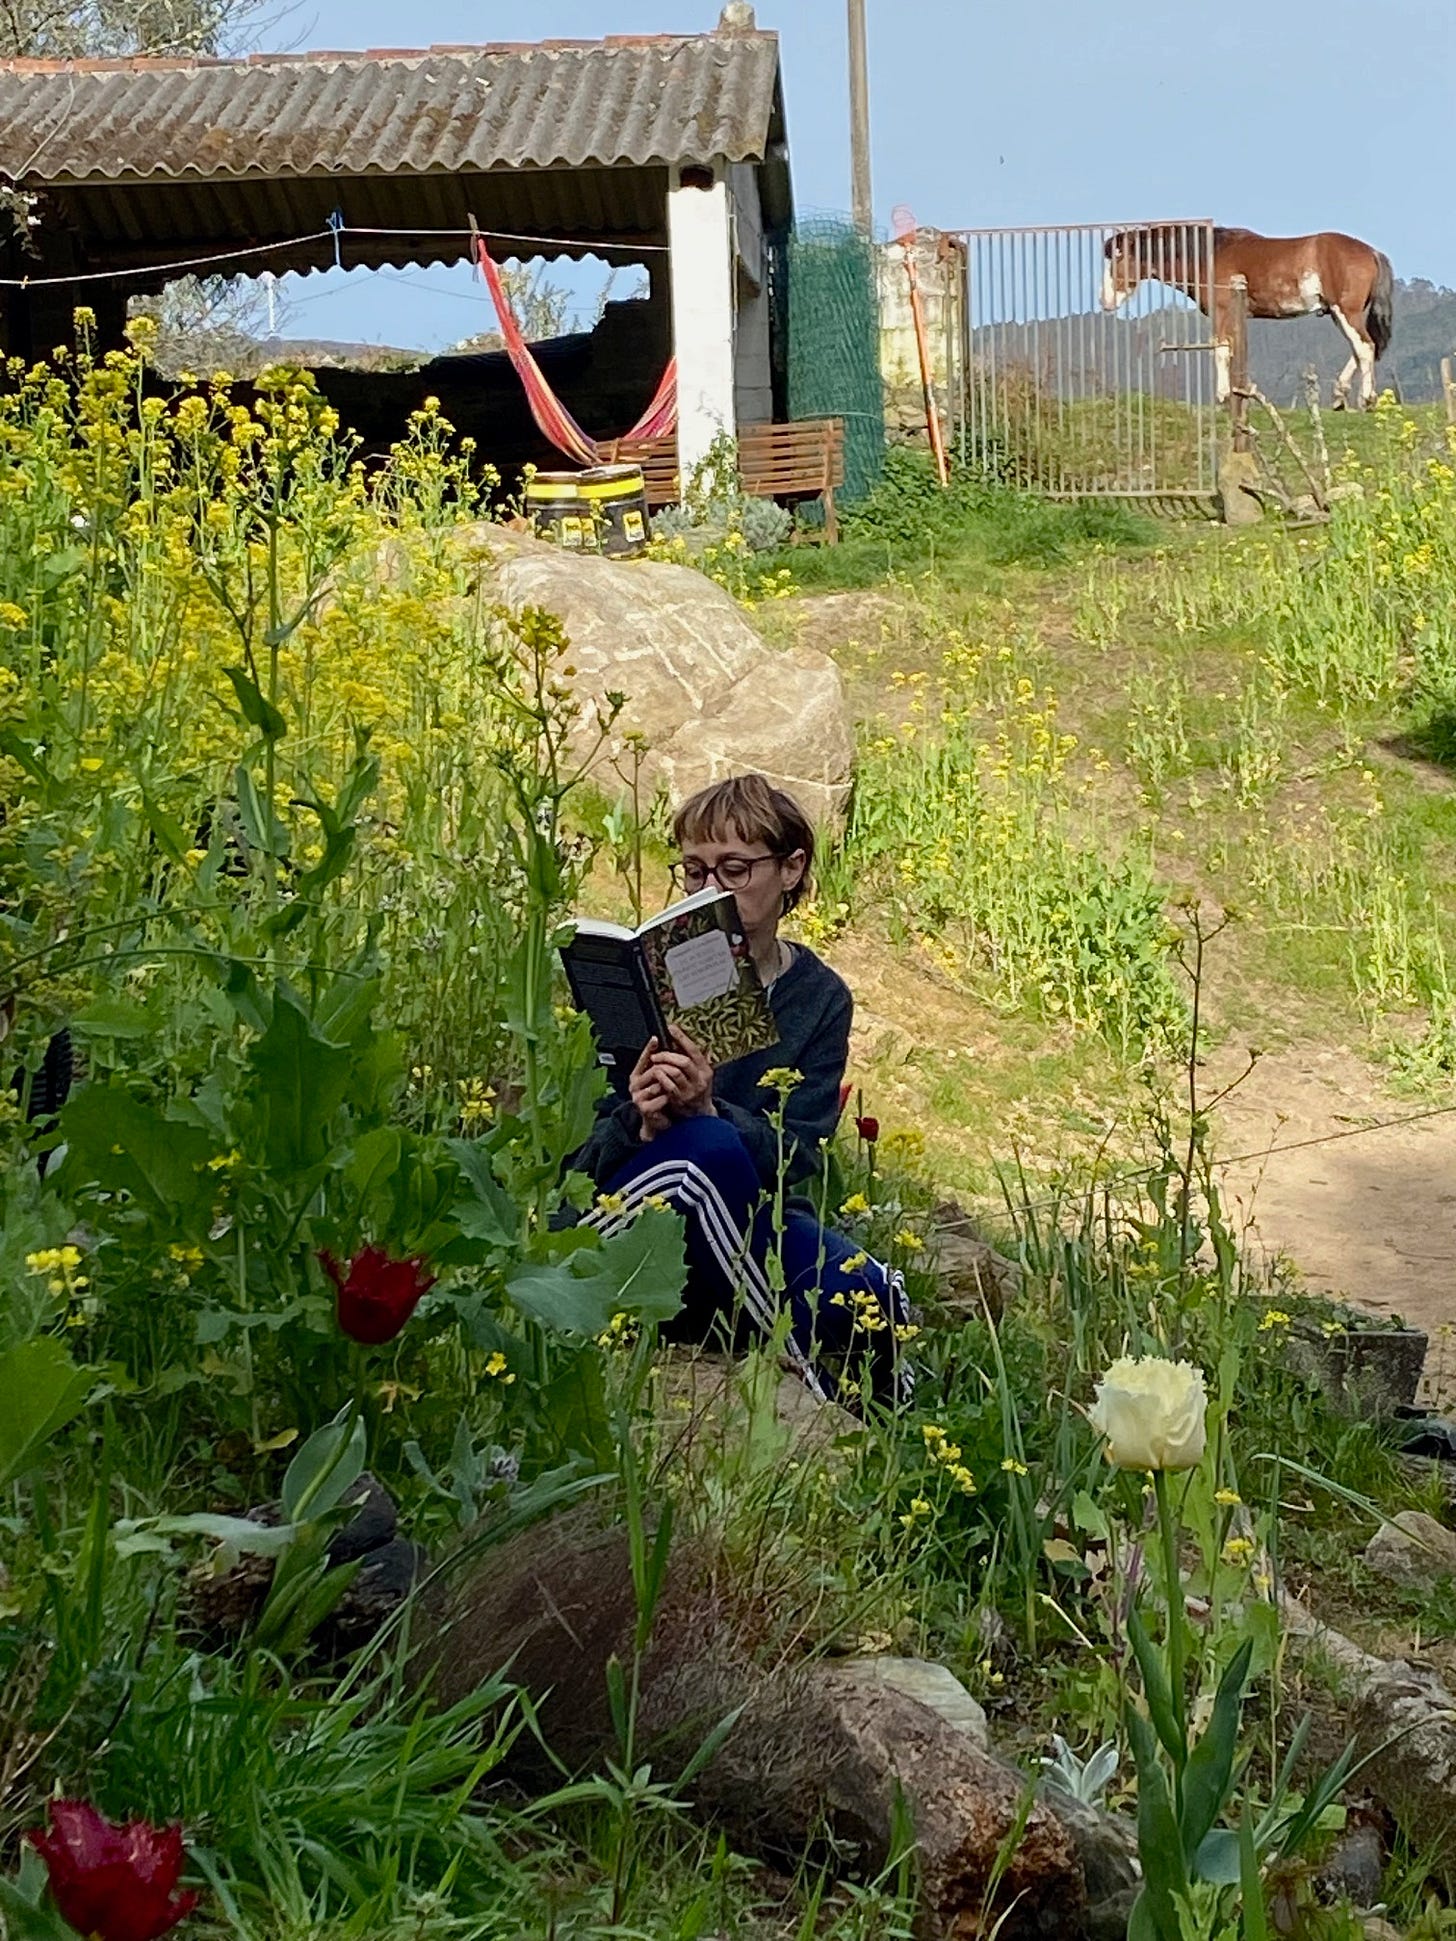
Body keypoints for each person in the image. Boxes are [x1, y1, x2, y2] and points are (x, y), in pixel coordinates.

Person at [570, 774, 912, 1408]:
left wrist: (708, 1108)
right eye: (694, 871)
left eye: (734, 870)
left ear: (790, 869)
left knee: (872, 1292)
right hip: (634, 1212)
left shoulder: (819, 997)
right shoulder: (639, 977)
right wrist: (639, 1123)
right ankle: (805, 1371)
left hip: (749, 1219)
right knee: (704, 1152)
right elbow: (575, 1159)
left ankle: (894, 1425)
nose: (711, 890)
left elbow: (798, 1153)